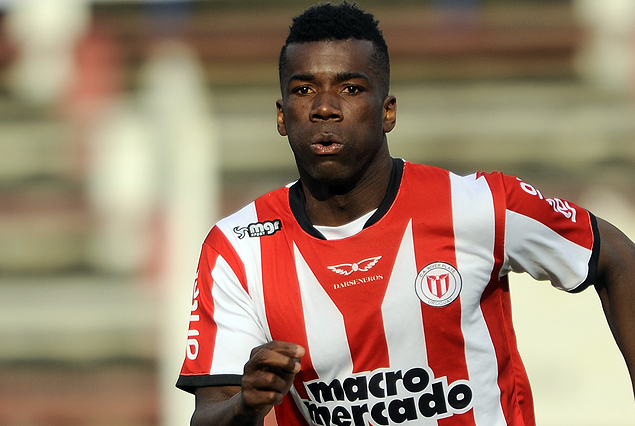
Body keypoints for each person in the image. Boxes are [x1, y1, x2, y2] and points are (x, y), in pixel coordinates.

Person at [176, 2, 635, 425]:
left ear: (388, 111)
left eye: (351, 88)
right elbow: (209, 414)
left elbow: (615, 255)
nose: (324, 107)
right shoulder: (237, 249)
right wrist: (246, 405)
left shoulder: (477, 205)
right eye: (303, 90)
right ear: (282, 116)